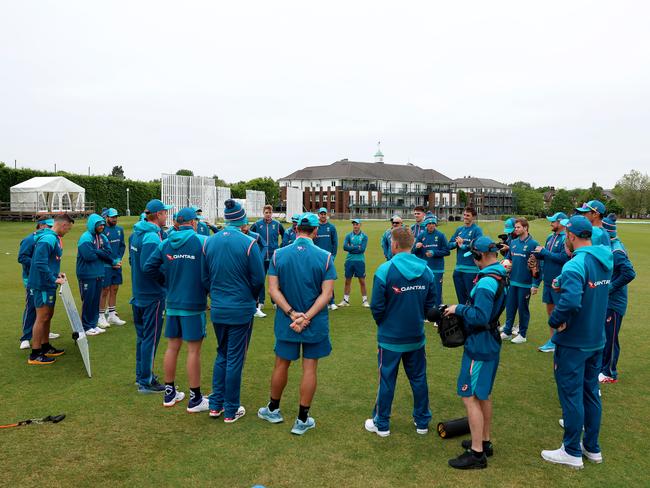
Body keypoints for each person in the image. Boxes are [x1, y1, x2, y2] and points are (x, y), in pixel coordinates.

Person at [541, 215, 613, 469]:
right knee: (590, 393)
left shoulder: (574, 265)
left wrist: (555, 321)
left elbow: (571, 302)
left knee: (571, 396)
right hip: (596, 339)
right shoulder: (604, 259)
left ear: (571, 236)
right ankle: (592, 448)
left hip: (574, 342)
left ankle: (571, 451)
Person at [257, 213, 336, 435]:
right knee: (309, 368)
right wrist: (306, 317)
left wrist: (293, 314)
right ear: (315, 231)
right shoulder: (326, 256)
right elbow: (327, 294)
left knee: (281, 364)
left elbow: (273, 289)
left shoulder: (279, 255)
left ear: (295, 229)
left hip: (287, 321)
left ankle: (273, 408)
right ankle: (302, 419)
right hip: (313, 322)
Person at [365, 226, 436, 437]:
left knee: (387, 380)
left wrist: (386, 324)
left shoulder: (385, 269)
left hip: (390, 338)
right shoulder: (427, 270)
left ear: (394, 245)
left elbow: (376, 306)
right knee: (419, 378)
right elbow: (431, 306)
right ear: (412, 244)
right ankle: (422, 422)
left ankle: (382, 423)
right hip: (415, 336)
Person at [444, 237, 508, 469]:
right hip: (490, 340)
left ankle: (477, 454)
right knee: (484, 395)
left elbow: (480, 316)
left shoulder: (485, 283)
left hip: (480, 344)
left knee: (469, 396)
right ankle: (484, 441)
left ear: (479, 255)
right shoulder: (500, 273)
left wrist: (457, 308)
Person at [202, 199, 265, 422]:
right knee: (235, 357)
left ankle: (215, 405)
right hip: (240, 308)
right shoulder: (249, 243)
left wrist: (216, 295)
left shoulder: (209, 242)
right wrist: (251, 298)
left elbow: (205, 278)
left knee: (222, 354)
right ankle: (230, 408)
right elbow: (258, 279)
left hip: (219, 307)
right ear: (242, 220)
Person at [143, 207, 210, 412]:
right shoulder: (202, 241)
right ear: (194, 222)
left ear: (176, 223)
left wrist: (166, 282)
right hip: (194, 304)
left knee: (172, 347)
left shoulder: (165, 242)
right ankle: (195, 398)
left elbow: (148, 267)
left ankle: (170, 392)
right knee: (193, 351)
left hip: (172, 303)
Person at [130, 199, 173, 393]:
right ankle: (146, 381)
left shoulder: (136, 233)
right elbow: (149, 267)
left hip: (139, 293)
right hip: (152, 295)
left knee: (142, 338)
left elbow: (133, 262)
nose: (167, 215)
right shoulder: (152, 238)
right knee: (150, 338)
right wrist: (165, 280)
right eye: (165, 212)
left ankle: (142, 376)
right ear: (158, 215)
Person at [27, 213, 75, 365]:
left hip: (48, 283)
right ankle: (35, 354)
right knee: (41, 317)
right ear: (63, 225)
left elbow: (49, 262)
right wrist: (53, 278)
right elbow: (40, 263)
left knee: (48, 315)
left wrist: (56, 274)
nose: (67, 232)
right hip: (42, 284)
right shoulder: (48, 239)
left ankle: (45, 346)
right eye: (68, 229)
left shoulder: (53, 238)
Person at [599, 215, 635, 383]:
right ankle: (603, 368)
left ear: (607, 232)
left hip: (615, 302)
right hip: (608, 300)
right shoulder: (609, 246)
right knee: (604, 336)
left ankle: (610, 373)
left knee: (611, 337)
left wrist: (610, 287)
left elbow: (629, 273)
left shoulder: (616, 250)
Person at [18, 217, 59, 350]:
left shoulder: (50, 237)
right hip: (31, 278)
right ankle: (25, 337)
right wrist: (37, 264)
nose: (51, 228)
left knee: (43, 309)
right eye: (48, 226)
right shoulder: (30, 239)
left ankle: (42, 334)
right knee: (31, 307)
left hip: (44, 279)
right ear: (40, 225)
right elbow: (22, 257)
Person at [77, 214, 120, 336]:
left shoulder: (102, 237)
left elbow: (109, 253)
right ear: (93, 225)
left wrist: (96, 251)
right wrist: (101, 253)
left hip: (99, 273)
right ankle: (85, 327)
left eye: (102, 224)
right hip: (87, 274)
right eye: (99, 224)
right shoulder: (85, 237)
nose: (102, 226)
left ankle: (93, 324)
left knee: (96, 300)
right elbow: (88, 256)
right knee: (88, 301)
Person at [499, 218, 540, 344]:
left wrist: (535, 284)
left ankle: (522, 334)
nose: (516, 229)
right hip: (513, 281)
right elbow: (508, 259)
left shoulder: (533, 244)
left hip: (525, 283)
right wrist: (506, 265)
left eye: (518, 227)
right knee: (510, 307)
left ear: (525, 228)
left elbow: (538, 266)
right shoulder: (514, 243)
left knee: (523, 309)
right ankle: (507, 331)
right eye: (515, 227)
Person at [533, 212, 570, 352]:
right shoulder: (550, 237)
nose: (551, 223)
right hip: (548, 281)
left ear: (560, 223)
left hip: (558, 283)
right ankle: (553, 341)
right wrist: (537, 254)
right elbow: (546, 256)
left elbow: (563, 258)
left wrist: (544, 252)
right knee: (550, 312)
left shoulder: (566, 239)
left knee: (560, 312)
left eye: (553, 221)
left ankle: (562, 341)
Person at [251, 204, 286, 310]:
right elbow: (249, 235)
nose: (268, 214)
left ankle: (275, 302)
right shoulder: (257, 224)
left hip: (273, 257)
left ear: (272, 213)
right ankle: (260, 302)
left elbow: (285, 236)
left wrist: (280, 248)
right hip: (260, 257)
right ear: (263, 213)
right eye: (266, 212)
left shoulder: (277, 224)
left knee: (275, 281)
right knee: (261, 280)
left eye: (270, 212)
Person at [448, 207, 483, 305]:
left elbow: (478, 246)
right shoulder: (459, 229)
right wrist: (456, 244)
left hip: (471, 270)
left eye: (468, 215)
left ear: (473, 217)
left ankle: (472, 318)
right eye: (464, 215)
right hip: (458, 269)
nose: (465, 217)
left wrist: (463, 246)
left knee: (471, 297)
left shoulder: (477, 230)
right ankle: (463, 317)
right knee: (461, 299)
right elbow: (449, 245)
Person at [98, 208, 127, 328]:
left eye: (116, 217)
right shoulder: (102, 231)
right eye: (112, 217)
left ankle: (111, 315)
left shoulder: (120, 230)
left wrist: (118, 259)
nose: (114, 219)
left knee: (114, 289)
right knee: (104, 290)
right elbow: (101, 250)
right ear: (107, 217)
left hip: (117, 264)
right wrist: (111, 261)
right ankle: (100, 316)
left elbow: (122, 246)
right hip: (106, 265)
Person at [413, 215, 450, 307]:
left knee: (437, 292)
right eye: (429, 223)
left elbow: (447, 251)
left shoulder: (441, 235)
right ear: (426, 224)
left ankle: (437, 315)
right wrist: (417, 247)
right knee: (425, 290)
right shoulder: (421, 236)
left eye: (433, 223)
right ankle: (426, 312)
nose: (431, 225)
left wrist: (434, 253)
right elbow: (414, 252)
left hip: (437, 269)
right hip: (424, 268)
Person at [338, 219, 369, 307]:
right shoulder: (348, 236)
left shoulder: (364, 236)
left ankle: (365, 300)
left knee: (362, 281)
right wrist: (357, 247)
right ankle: (345, 300)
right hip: (349, 260)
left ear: (360, 225)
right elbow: (344, 247)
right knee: (347, 280)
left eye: (357, 224)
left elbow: (362, 249)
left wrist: (351, 247)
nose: (355, 226)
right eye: (354, 224)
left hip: (360, 261)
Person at [314, 207, 338, 309]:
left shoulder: (331, 227)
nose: (323, 216)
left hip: (328, 258)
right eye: (321, 214)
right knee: (317, 280)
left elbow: (335, 243)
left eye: (324, 214)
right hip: (316, 258)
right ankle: (320, 302)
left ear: (326, 214)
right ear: (318, 215)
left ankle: (331, 302)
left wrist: (333, 256)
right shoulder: (315, 227)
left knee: (329, 279)